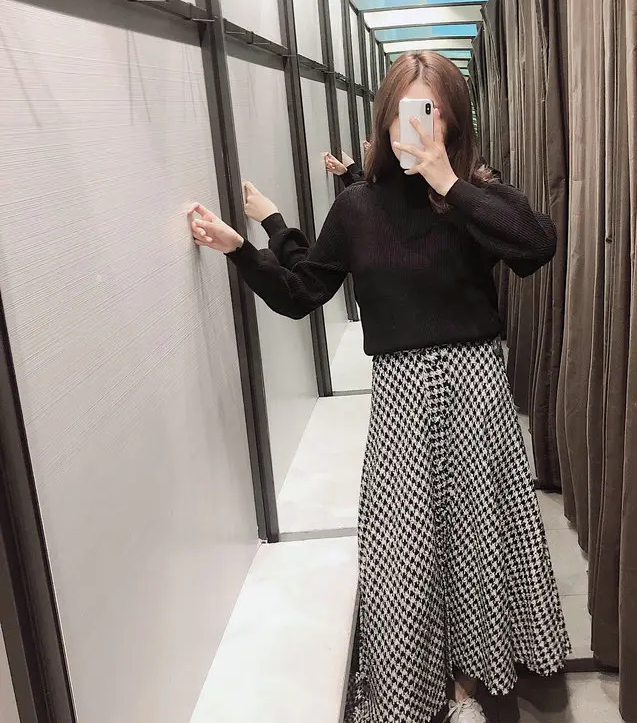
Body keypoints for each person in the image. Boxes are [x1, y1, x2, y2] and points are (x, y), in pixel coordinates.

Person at [188, 51, 571, 723]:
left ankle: (472, 683)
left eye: (431, 112)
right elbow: (303, 291)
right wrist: (244, 247)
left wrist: (448, 182)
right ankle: (417, 687)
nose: (413, 126)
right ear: (385, 117)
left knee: (479, 542)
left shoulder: (478, 194)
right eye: (403, 111)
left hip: (478, 389)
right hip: (401, 396)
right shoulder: (357, 208)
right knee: (402, 557)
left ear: (452, 122)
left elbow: (537, 247)